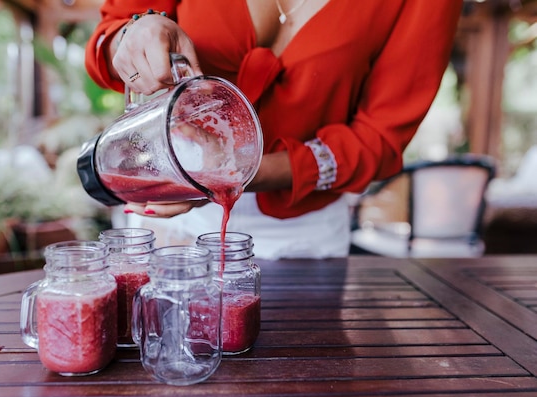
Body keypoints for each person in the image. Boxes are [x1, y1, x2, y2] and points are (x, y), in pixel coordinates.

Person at [85, 0, 463, 259]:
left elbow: (379, 139)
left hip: (300, 236)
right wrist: (136, 34)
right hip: (173, 210)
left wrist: (232, 174)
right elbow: (110, 36)